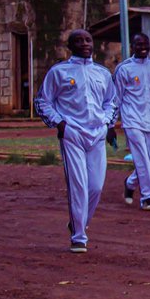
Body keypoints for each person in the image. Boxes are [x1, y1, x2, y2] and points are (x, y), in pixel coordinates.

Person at [34, 29, 117, 253]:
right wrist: (60, 124)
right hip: (72, 134)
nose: (84, 44)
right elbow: (43, 102)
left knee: (96, 187)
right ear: (70, 46)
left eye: (87, 40)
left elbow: (111, 101)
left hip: (97, 133)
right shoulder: (58, 72)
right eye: (78, 41)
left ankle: (78, 220)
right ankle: (79, 236)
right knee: (78, 185)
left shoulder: (102, 73)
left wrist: (108, 123)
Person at [114, 33, 150, 211]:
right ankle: (147, 197)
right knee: (141, 157)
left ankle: (131, 183)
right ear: (132, 47)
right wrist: (111, 123)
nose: (142, 47)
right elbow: (116, 97)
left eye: (145, 44)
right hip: (132, 120)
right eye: (138, 44)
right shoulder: (124, 69)